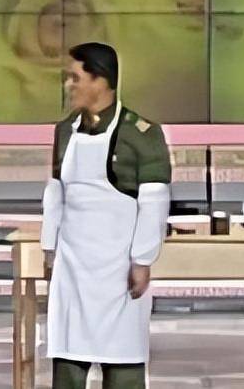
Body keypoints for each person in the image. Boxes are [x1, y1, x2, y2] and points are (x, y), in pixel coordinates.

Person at [40, 42, 171, 389]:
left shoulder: (141, 134)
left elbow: (154, 203)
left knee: (122, 360)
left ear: (100, 80)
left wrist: (142, 260)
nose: (68, 85)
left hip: (118, 271)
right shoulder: (65, 131)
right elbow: (56, 192)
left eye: (75, 77)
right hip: (73, 268)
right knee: (68, 359)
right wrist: (49, 248)